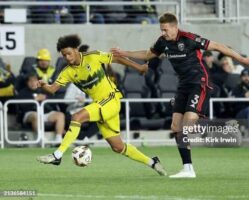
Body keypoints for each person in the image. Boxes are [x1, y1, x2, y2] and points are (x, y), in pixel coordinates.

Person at [111, 12, 249, 178]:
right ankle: (188, 169)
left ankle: (223, 126)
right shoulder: (163, 42)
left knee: (187, 125)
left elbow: (218, 46)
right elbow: (147, 54)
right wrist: (123, 53)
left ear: (175, 27)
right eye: (161, 30)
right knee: (176, 127)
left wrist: (243, 60)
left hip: (199, 83)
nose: (163, 33)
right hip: (183, 86)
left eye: (166, 30)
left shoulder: (188, 38)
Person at [36, 34, 166, 176]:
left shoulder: (93, 56)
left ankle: (57, 155)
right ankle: (153, 162)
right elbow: (53, 89)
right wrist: (43, 85)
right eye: (64, 55)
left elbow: (116, 58)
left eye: (68, 53)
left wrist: (139, 67)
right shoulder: (67, 72)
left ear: (75, 49)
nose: (67, 57)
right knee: (118, 147)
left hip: (111, 99)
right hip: (100, 105)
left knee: (77, 116)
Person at [17, 73, 65, 142]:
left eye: (35, 80)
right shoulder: (23, 92)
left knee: (60, 115)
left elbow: (54, 102)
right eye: (30, 81)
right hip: (30, 114)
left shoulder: (45, 89)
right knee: (35, 116)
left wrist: (45, 98)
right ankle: (41, 138)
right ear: (27, 82)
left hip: (45, 113)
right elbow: (22, 106)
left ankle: (58, 138)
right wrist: (34, 100)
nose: (33, 83)